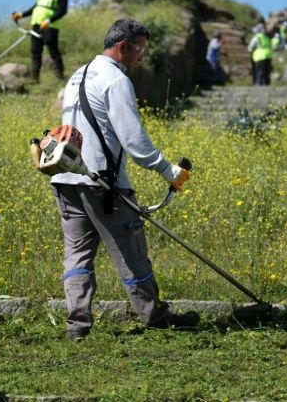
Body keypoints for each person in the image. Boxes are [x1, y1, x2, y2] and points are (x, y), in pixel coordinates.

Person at [51, 18, 198, 341]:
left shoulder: (78, 75)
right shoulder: (115, 80)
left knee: (76, 256)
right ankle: (155, 317)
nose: (141, 58)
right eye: (139, 50)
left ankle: (77, 326)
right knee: (130, 250)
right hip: (102, 184)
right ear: (122, 47)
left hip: (66, 179)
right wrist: (169, 171)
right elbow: (133, 140)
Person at [11, 0, 68, 82]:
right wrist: (21, 14)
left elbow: (62, 10)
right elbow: (35, 8)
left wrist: (49, 20)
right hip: (36, 26)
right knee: (35, 52)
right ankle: (34, 79)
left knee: (53, 51)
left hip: (50, 27)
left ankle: (60, 76)